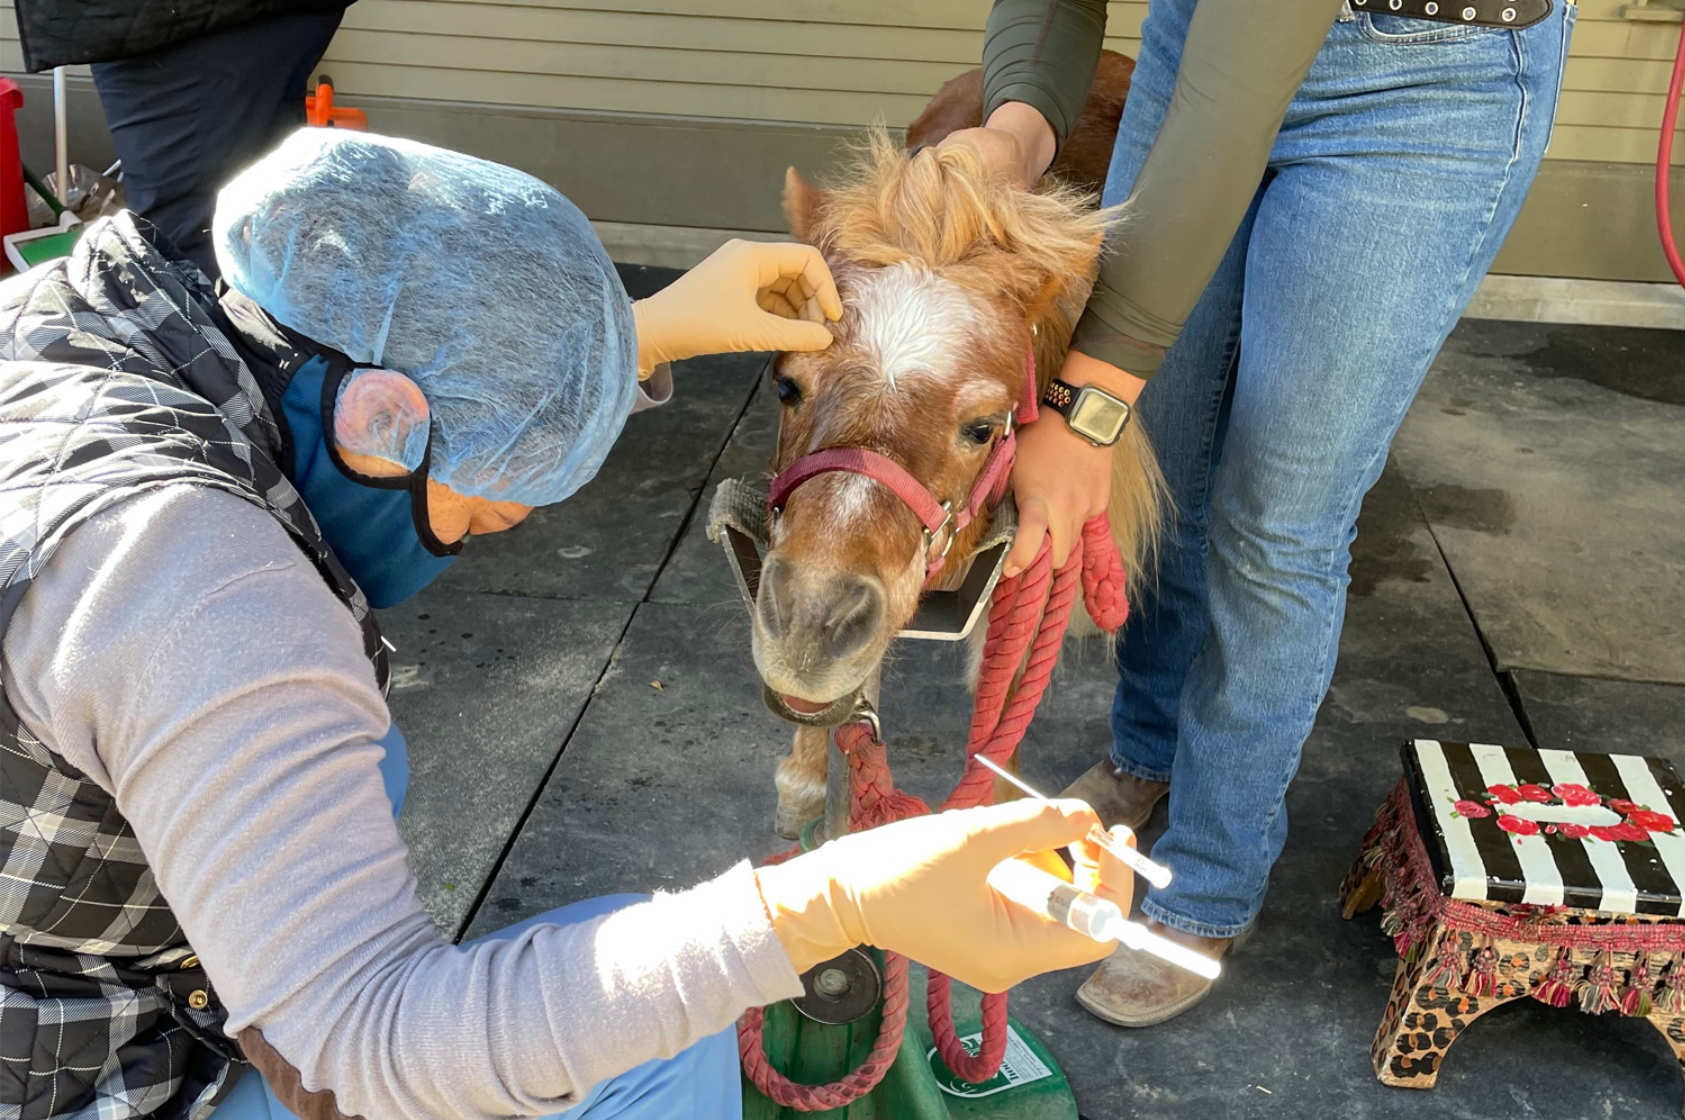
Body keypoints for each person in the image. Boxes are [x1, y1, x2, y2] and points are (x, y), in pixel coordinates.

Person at [0, 128, 1133, 1120]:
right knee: (657, 1035)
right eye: (490, 501)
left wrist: (629, 335)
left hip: (44, 971)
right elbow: (366, 1047)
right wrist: (826, 903)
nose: (495, 523)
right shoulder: (208, 600)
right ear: (380, 419)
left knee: (369, 766)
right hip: (82, 1076)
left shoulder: (85, 319)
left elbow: (415, 362)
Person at [944, 0, 1574, 1026]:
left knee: (1274, 519)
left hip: (1426, 82)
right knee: (1171, 459)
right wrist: (1010, 130)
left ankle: (1209, 872)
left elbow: (1233, 99)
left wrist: (1080, 407)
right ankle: (1146, 758)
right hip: (1202, 39)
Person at [12, 0, 356, 277]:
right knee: (261, 214)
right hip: (190, 23)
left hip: (181, 24)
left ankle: (229, 354)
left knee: (191, 246)